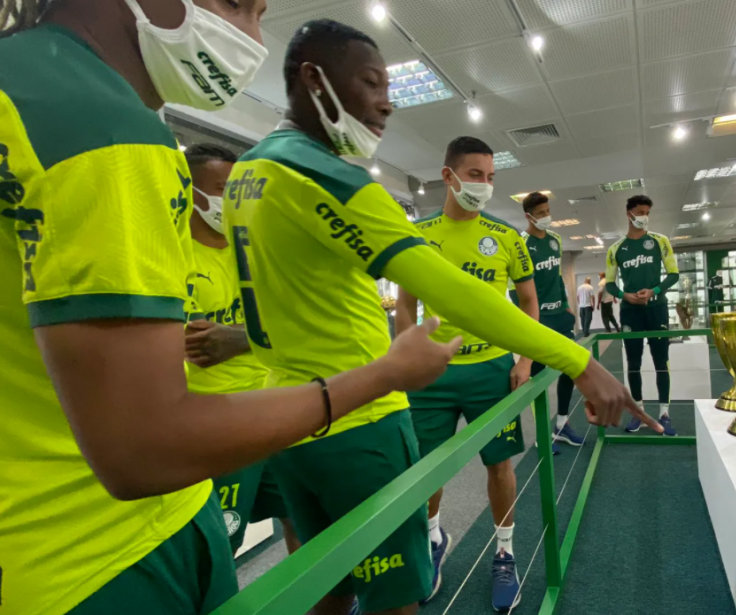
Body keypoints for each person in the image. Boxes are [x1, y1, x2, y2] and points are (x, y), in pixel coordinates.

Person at [0, 3, 459, 615]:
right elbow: (145, 445)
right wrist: (384, 374)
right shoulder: (102, 128)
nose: (250, 37)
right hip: (104, 554)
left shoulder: (26, 83)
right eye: (237, 2)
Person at [224, 20, 653, 615]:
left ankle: (501, 548)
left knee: (328, 583)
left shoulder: (249, 171)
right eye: (370, 82)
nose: (387, 102)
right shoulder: (327, 176)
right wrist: (578, 358)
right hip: (360, 422)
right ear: (313, 80)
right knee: (396, 598)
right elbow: (453, 295)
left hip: (292, 419)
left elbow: (280, 300)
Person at [396, 141, 534, 611]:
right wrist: (410, 354)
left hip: (492, 370)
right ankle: (434, 540)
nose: (485, 185)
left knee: (499, 465)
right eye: (475, 174)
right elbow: (406, 303)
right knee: (427, 469)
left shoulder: (507, 236)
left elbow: (529, 301)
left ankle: (505, 553)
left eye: (491, 176)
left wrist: (524, 360)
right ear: (449, 176)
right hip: (435, 374)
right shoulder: (418, 234)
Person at [183, 143, 301, 557]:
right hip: (216, 422)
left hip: (273, 404)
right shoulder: (173, 257)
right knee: (221, 543)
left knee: (301, 519)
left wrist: (240, 337)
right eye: (221, 189)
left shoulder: (255, 250)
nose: (231, 202)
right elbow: (194, 345)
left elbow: (295, 321)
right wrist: (260, 330)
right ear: (191, 193)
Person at [605, 195, 681, 436]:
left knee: (661, 363)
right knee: (634, 364)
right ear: (629, 213)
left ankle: (665, 414)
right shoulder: (616, 248)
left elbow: (673, 274)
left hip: (657, 309)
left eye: (647, 212)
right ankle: (638, 414)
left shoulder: (660, 241)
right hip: (630, 313)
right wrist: (624, 295)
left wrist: (655, 291)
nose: (644, 217)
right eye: (639, 212)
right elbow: (608, 283)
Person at [520, 191, 587, 451]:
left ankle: (561, 424)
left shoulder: (556, 240)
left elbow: (557, 277)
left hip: (558, 315)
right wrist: (528, 321)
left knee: (571, 367)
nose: (547, 217)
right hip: (536, 319)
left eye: (548, 211)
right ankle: (542, 434)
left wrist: (567, 307)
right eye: (541, 214)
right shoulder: (521, 244)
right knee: (537, 379)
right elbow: (517, 289)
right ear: (528, 216)